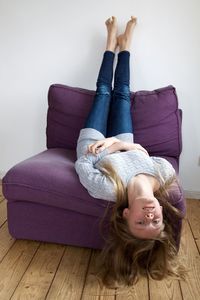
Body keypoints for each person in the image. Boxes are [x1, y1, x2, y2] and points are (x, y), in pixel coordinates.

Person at [75, 16, 185, 286]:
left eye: (141, 224)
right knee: (122, 92)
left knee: (103, 91)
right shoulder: (165, 174)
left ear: (126, 215)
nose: (149, 218)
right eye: (155, 223)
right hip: (119, 143)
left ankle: (110, 44)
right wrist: (120, 144)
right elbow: (141, 151)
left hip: (93, 145)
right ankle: (126, 46)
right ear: (161, 212)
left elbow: (82, 164)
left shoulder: (110, 189)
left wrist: (109, 146)